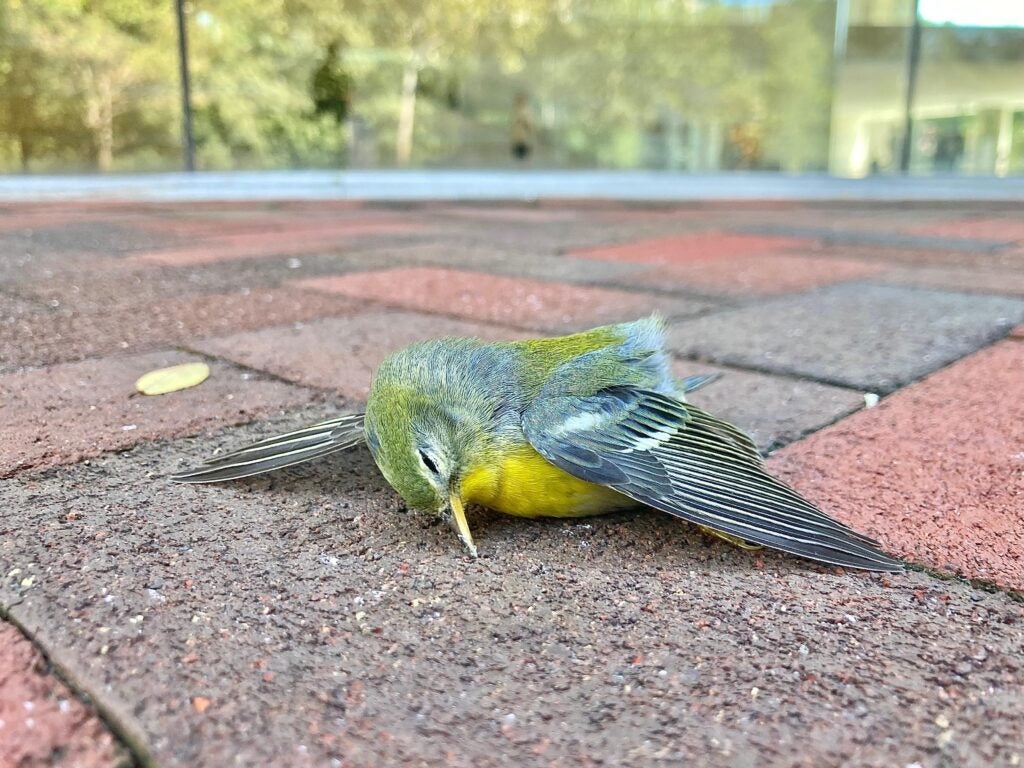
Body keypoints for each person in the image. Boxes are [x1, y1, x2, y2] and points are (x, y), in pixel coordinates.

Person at [510, 92, 535, 164]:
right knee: (517, 154)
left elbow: (529, 124)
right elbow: (513, 123)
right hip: (516, 136)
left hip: (524, 137)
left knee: (525, 154)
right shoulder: (515, 111)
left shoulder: (527, 111)